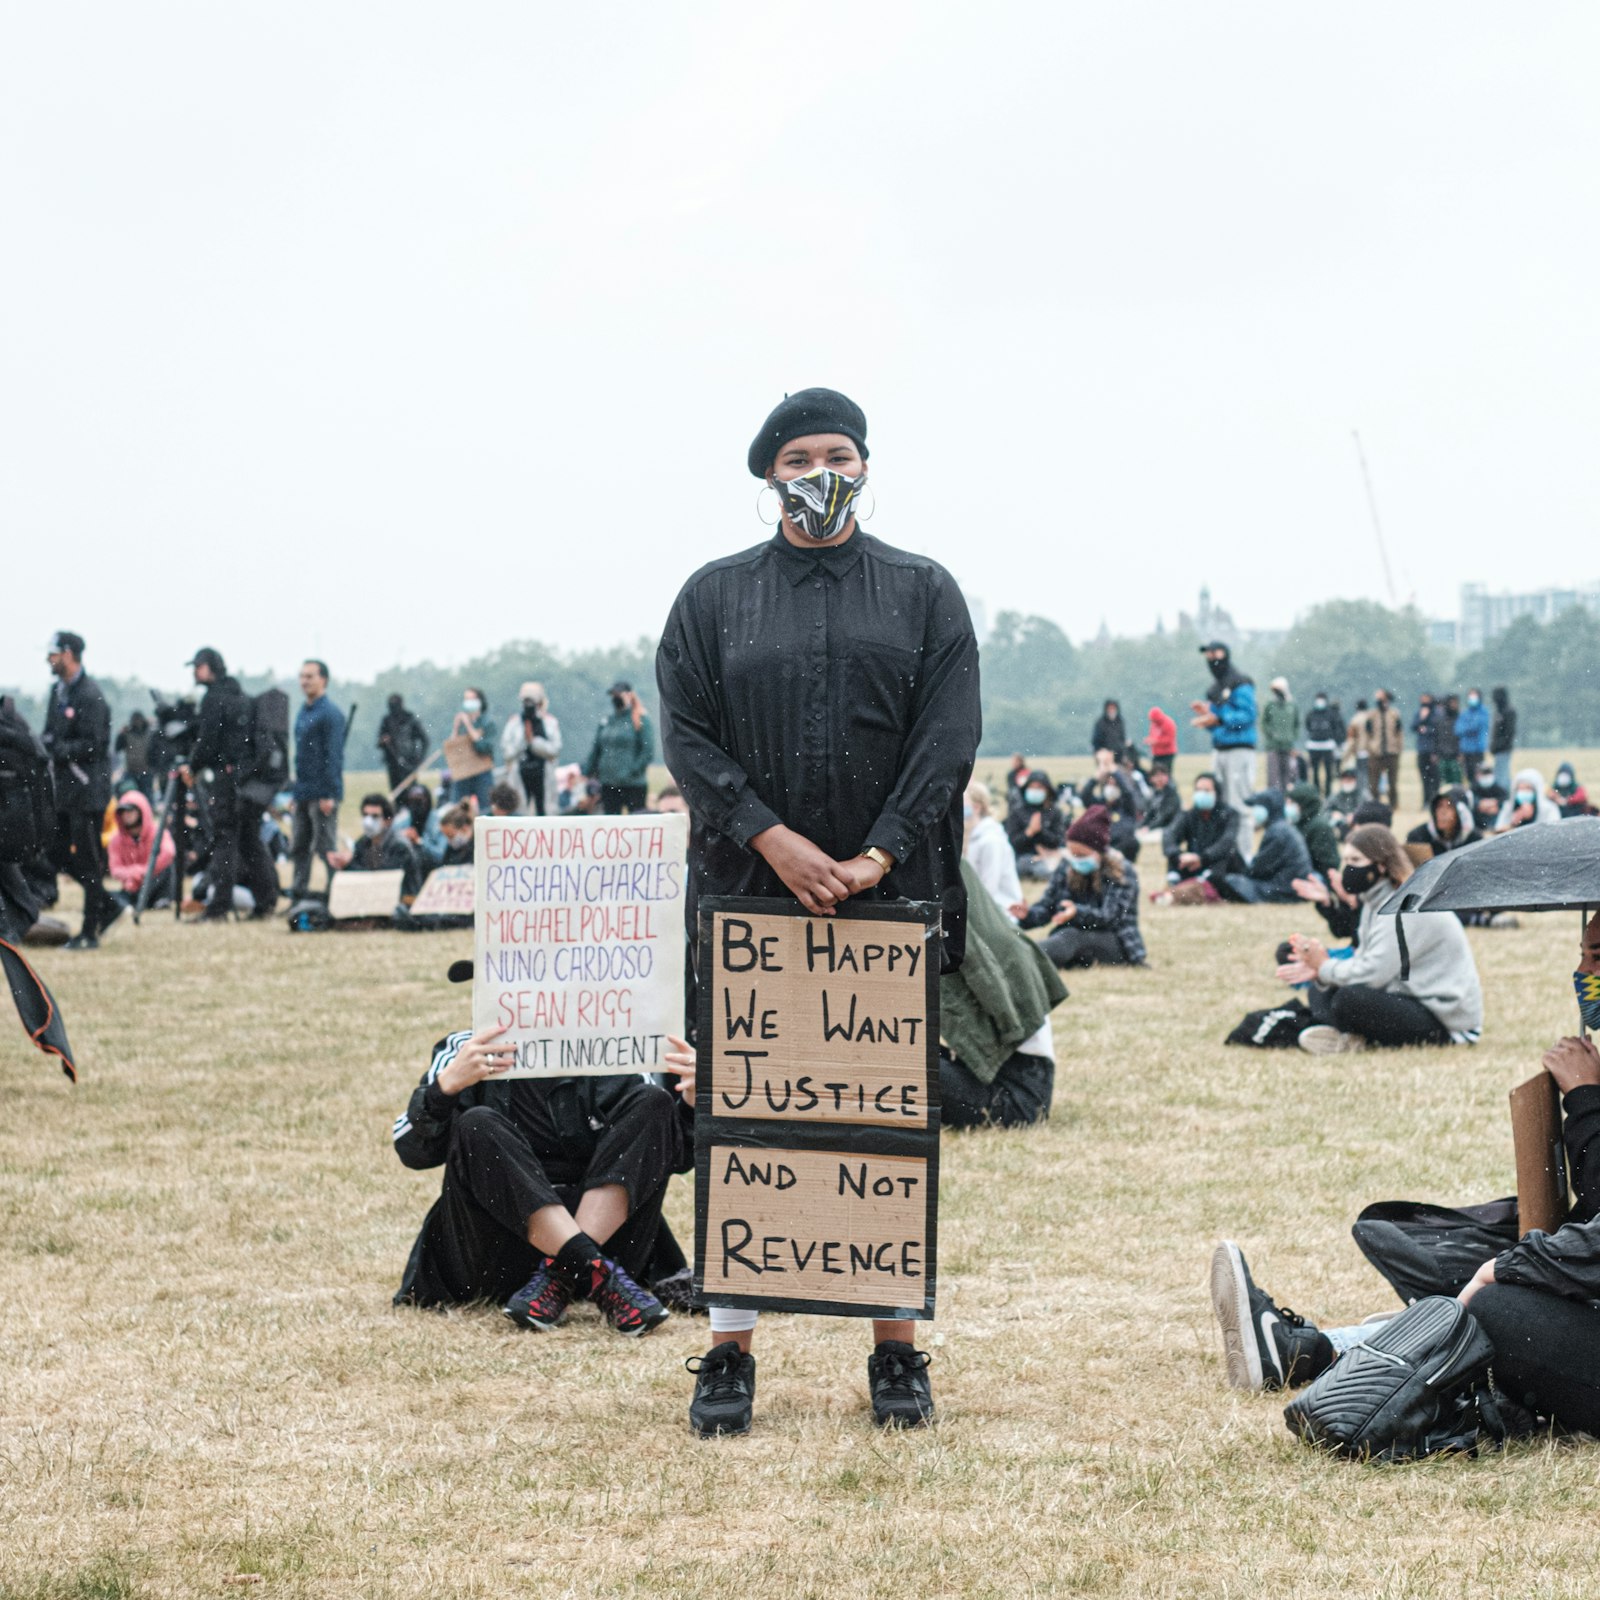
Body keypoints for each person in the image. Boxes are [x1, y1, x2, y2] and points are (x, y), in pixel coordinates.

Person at [656, 385, 980, 1435]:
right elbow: (690, 739)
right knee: (743, 1118)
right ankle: (726, 1351)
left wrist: (878, 850)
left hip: (889, 905)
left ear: (867, 466)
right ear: (769, 477)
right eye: (800, 456)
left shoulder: (925, 592)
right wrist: (774, 839)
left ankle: (895, 1350)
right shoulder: (711, 599)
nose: (819, 470)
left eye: (837, 452)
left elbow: (948, 734)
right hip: (751, 899)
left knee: (882, 1122)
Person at [391, 1003, 687, 1338]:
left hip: (608, 1239)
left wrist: (691, 1104)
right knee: (477, 1123)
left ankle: (564, 1274)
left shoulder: (614, 1049)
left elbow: (669, 1157)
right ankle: (594, 1271)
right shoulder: (466, 1049)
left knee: (653, 1101)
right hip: (495, 1255)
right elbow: (412, 1151)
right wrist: (444, 1089)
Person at [1275, 824, 1483, 1054]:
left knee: (1348, 998)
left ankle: (1340, 1034)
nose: (1348, 869)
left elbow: (1373, 974)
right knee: (1322, 988)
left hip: (1446, 1022)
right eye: (1346, 861)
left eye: (1356, 861)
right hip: (1405, 996)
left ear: (1381, 866)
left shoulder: (1404, 907)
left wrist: (1324, 967)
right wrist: (1321, 973)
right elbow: (1364, 959)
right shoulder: (1375, 902)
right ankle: (1343, 1036)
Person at [938, 861, 1065, 1129]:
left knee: (896, 1067)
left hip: (1018, 1095)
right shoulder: (990, 932)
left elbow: (982, 974)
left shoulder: (980, 954)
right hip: (1020, 1079)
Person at [181, 647, 277, 923]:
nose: (194, 672)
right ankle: (266, 899)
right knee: (249, 839)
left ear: (211, 668)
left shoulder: (214, 698)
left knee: (224, 839)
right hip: (247, 779)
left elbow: (207, 741)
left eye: (198, 667)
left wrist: (194, 765)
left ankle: (218, 907)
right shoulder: (241, 697)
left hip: (226, 777)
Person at [40, 631, 114, 949]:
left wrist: (59, 749)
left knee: (88, 859)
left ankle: (90, 931)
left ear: (69, 654)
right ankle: (108, 904)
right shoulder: (57, 692)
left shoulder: (90, 694)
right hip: (65, 792)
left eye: (54, 653)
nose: (49, 659)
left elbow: (95, 744)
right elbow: (48, 735)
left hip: (87, 790)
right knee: (54, 852)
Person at [1017, 805, 1145, 967]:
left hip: (1116, 941)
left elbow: (1110, 917)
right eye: (1073, 853)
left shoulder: (1122, 872)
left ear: (1099, 851)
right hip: (1074, 936)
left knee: (1072, 936)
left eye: (1082, 854)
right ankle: (1024, 956)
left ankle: (1025, 960)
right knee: (1068, 937)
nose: (1076, 859)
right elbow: (1048, 905)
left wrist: (1077, 913)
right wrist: (1028, 915)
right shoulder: (1066, 866)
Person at [1191, 641, 1257, 857]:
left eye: (1215, 653)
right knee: (1220, 806)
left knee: (1239, 805)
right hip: (1220, 749)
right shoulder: (1214, 689)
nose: (1212, 659)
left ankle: (1244, 855)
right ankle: (1226, 855)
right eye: (1208, 655)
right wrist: (1208, 718)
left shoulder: (1240, 683)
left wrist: (1219, 718)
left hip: (1240, 750)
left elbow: (1248, 716)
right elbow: (1219, 724)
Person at [289, 659, 346, 901]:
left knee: (325, 848)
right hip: (302, 791)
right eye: (302, 676)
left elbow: (333, 756)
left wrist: (330, 794)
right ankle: (298, 894)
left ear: (323, 679)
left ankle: (336, 895)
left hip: (322, 792)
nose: (304, 681)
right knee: (299, 847)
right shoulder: (303, 711)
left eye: (310, 676)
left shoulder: (331, 714)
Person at [1211, 789, 1311, 904]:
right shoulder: (1283, 828)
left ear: (1268, 809)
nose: (1254, 812)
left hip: (1285, 891)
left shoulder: (1277, 832)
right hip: (1290, 887)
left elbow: (1258, 871)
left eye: (1257, 807)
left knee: (1232, 881)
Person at [328, 792, 424, 900]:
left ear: (388, 820)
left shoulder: (399, 846)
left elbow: (382, 879)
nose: (368, 821)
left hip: (403, 902)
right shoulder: (363, 842)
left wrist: (349, 865)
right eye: (365, 815)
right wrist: (342, 862)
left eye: (375, 816)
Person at [583, 683, 653, 816]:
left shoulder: (640, 718)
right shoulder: (607, 721)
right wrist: (588, 771)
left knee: (637, 820)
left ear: (629, 695)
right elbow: (597, 749)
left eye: (618, 695)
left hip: (633, 783)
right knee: (611, 822)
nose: (615, 699)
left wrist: (633, 770)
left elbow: (647, 750)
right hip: (609, 782)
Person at [498, 681, 561, 816]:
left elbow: (555, 749)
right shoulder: (514, 722)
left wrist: (534, 742)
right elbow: (507, 752)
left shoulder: (550, 722)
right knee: (521, 812)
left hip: (544, 773)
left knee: (546, 811)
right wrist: (523, 741)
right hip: (520, 773)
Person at [106, 788, 176, 909]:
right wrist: (136, 874)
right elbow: (115, 869)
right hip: (132, 887)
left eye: (130, 810)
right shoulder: (116, 840)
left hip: (154, 883)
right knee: (107, 896)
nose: (126, 815)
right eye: (123, 811)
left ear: (141, 812)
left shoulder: (158, 833)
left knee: (168, 868)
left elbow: (169, 853)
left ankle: (162, 899)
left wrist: (142, 872)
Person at [1159, 772, 1234, 885]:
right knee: (1173, 856)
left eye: (1206, 790)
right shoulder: (1190, 815)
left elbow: (1226, 842)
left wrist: (1202, 858)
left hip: (1213, 862)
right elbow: (1170, 835)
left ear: (1216, 793)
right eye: (1198, 790)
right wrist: (1179, 856)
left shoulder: (1229, 814)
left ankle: (1205, 883)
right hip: (1192, 862)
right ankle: (1175, 881)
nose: (1201, 794)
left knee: (1226, 856)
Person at [963, 780, 1021, 916]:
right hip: (981, 906)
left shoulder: (990, 840)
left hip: (1000, 910)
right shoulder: (971, 836)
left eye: (962, 801)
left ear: (976, 807)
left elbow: (989, 888)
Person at [1004, 767, 1067, 880]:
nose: (1035, 790)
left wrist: (1041, 832)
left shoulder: (1054, 812)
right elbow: (1012, 843)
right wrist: (1029, 832)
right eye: (1032, 787)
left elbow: (1058, 840)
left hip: (1050, 855)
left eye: (1039, 788)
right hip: (1024, 857)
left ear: (1047, 791)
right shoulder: (1017, 811)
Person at [449, 688, 498, 814]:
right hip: (463, 772)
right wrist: (456, 726)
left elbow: (484, 747)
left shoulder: (487, 722)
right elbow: (452, 747)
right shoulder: (461, 722)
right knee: (459, 808)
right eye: (466, 699)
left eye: (472, 699)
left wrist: (469, 726)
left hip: (482, 771)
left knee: (486, 808)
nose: (468, 702)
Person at [377, 693, 429, 793]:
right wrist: (384, 741)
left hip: (410, 761)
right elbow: (380, 742)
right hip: (393, 763)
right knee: (397, 793)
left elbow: (424, 740)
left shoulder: (410, 719)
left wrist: (420, 758)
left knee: (411, 792)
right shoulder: (387, 720)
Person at [1286, 781, 1340, 877]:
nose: (1288, 807)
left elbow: (1327, 863)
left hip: (1315, 876)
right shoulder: (1300, 823)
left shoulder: (1319, 826)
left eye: (1292, 803)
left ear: (1303, 804)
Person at [1261, 677, 1299, 794]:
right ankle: (1273, 797)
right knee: (1273, 775)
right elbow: (1264, 722)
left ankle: (1286, 797)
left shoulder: (1292, 705)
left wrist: (1292, 737)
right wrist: (1271, 733)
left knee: (1288, 774)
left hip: (1288, 745)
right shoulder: (1270, 705)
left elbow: (1297, 723)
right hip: (1273, 746)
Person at [1302, 691, 1343, 797]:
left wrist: (1335, 741)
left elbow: (1335, 728)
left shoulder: (1330, 714)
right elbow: (1307, 726)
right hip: (1314, 746)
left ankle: (1328, 793)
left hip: (1327, 746)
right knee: (1315, 771)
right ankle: (1316, 792)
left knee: (1329, 771)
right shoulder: (1311, 714)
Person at [1367, 689, 1403, 807]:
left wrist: (1399, 748)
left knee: (1392, 782)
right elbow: (1368, 733)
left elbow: (1399, 733)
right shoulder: (1372, 715)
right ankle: (1375, 804)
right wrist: (1370, 747)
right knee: (1373, 782)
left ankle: (1393, 804)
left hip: (1392, 752)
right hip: (1376, 752)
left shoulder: (1394, 714)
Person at [1496, 767, 1562, 831]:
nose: (1524, 792)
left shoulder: (1549, 809)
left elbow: (1554, 833)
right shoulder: (1508, 808)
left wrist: (1532, 817)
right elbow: (1498, 834)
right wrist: (1513, 824)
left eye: (1528, 788)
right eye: (1520, 789)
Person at [113, 710, 157, 800]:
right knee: (129, 797)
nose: (137, 723)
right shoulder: (127, 733)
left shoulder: (150, 733)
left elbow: (155, 752)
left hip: (145, 772)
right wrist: (120, 734)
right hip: (132, 772)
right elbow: (117, 748)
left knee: (145, 798)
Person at [1410, 692, 1440, 805]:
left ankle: (1434, 800)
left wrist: (1427, 729)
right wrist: (1422, 718)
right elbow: (1413, 726)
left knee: (1434, 778)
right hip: (1422, 749)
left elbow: (1438, 730)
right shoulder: (1419, 712)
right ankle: (1426, 800)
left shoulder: (1436, 713)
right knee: (1424, 777)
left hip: (1433, 749)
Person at [1468, 757, 1508, 835]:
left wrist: (1495, 804)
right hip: (1478, 822)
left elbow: (1505, 799)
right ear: (1477, 775)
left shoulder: (1498, 788)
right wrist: (1480, 804)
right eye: (1483, 773)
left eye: (1488, 773)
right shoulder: (1473, 788)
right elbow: (1471, 800)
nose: (1486, 776)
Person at [1456, 687, 1490, 775]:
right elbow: (1458, 730)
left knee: (1478, 775)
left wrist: (1467, 727)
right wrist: (1469, 728)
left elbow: (1477, 725)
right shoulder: (1465, 712)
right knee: (1468, 775)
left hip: (1477, 750)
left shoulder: (1483, 712)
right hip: (1465, 750)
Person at [1139, 763, 1181, 836]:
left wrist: (1149, 827)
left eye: (1163, 775)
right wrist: (1141, 826)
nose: (1160, 778)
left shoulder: (1171, 794)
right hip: (1156, 826)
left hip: (1169, 828)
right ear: (1151, 778)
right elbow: (1149, 814)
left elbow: (1165, 816)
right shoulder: (1153, 794)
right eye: (1157, 776)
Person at [1342, 699, 1371, 800]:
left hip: (1360, 751)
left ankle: (1363, 796)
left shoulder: (1355, 720)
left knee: (1361, 776)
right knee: (1371, 776)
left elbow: (1351, 739)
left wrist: (1346, 756)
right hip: (1372, 752)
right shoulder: (1371, 717)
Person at [1490, 687, 1516, 794]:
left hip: (1503, 749)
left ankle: (1504, 796)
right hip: (1499, 749)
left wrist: (1498, 745)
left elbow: (1509, 733)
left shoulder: (1508, 711)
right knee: (1500, 774)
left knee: (1502, 776)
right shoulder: (1499, 711)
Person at [1434, 693, 1463, 788]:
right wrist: (1436, 752)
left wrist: (1461, 752)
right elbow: (1437, 737)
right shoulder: (1440, 720)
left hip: (1456, 755)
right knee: (1444, 784)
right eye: (1452, 703)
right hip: (1443, 755)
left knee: (1457, 782)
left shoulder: (1460, 718)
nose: (1454, 705)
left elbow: (1461, 737)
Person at [1323, 768, 1362, 838]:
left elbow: (1370, 810)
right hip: (1340, 824)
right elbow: (1323, 811)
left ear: (1355, 781)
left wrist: (1356, 816)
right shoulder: (1335, 796)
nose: (1347, 783)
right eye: (1345, 780)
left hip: (1357, 824)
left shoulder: (1362, 795)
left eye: (1350, 780)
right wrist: (1332, 814)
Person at [1090, 699, 1128, 763]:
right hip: (1104, 751)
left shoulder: (1120, 722)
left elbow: (1122, 738)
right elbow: (1096, 740)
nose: (1112, 711)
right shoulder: (1101, 723)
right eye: (1110, 709)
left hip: (1118, 751)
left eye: (1113, 709)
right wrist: (1101, 750)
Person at [1145, 705, 1177, 776]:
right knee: (1154, 773)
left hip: (1167, 753)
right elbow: (1153, 735)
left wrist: (1156, 742)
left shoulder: (1168, 723)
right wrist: (1149, 740)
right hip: (1156, 753)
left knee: (1166, 774)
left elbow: (1169, 740)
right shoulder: (1154, 724)